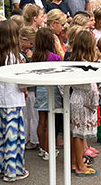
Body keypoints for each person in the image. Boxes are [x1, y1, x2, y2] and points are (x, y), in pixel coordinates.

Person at [0, 19, 29, 182]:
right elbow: (21, 82)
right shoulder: (15, 57)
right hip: (12, 101)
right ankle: (13, 171)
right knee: (14, 136)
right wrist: (24, 91)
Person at [69, 30, 99, 177]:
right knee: (80, 135)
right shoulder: (88, 65)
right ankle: (80, 166)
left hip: (74, 97)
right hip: (85, 101)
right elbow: (93, 88)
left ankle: (75, 162)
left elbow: (63, 86)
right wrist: (94, 105)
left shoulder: (71, 62)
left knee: (75, 134)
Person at [32, 28, 63, 161]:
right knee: (51, 122)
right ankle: (49, 149)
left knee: (42, 121)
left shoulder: (34, 57)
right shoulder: (54, 57)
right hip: (52, 90)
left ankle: (42, 148)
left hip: (40, 89)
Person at [19, 26, 39, 150]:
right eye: (30, 43)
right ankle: (28, 139)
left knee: (30, 115)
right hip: (27, 89)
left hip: (29, 89)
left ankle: (31, 138)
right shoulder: (21, 54)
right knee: (28, 116)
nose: (31, 46)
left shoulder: (24, 52)